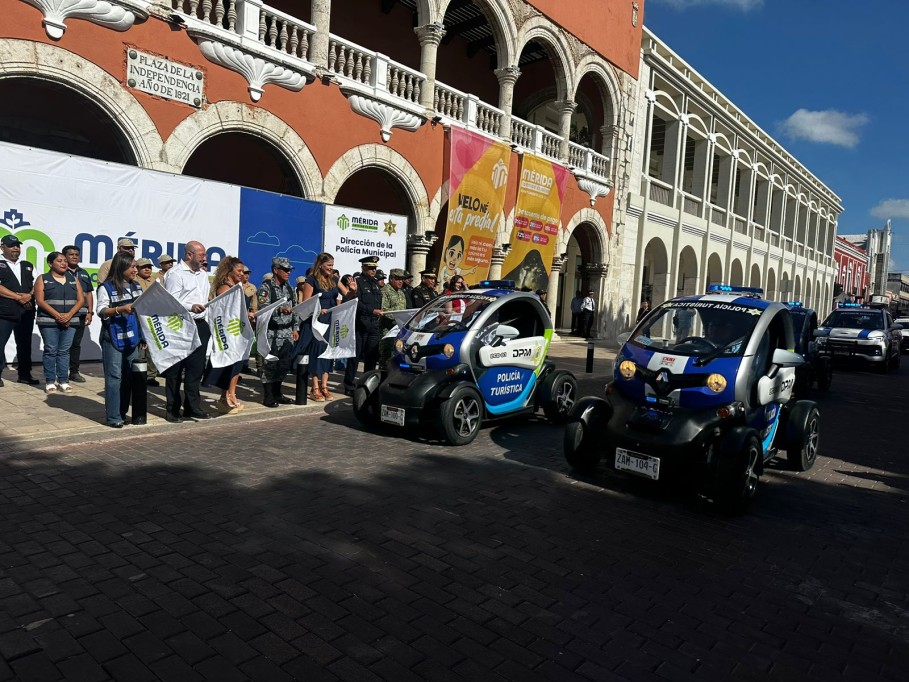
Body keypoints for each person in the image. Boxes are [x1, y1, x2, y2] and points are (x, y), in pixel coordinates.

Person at [162, 240, 212, 422]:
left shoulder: (203, 275)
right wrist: (191, 306)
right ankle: (172, 409)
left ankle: (192, 407)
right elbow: (170, 302)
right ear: (189, 255)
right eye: (202, 255)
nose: (204, 258)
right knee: (175, 370)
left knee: (196, 369)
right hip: (180, 325)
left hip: (200, 325)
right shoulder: (175, 274)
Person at [96, 252, 143, 428]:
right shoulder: (106, 287)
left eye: (136, 266)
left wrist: (143, 337)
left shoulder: (136, 286)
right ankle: (113, 417)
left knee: (129, 376)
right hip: (113, 337)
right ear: (122, 266)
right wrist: (120, 309)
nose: (136, 270)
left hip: (133, 337)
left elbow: (141, 313)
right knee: (114, 377)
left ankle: (122, 412)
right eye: (133, 267)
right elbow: (101, 311)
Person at [34, 251, 84, 394]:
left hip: (70, 321)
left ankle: (63, 380)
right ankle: (50, 381)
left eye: (65, 261)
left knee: (64, 351)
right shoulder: (43, 278)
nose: (64, 263)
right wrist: (58, 316)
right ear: (50, 263)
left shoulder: (74, 279)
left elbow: (81, 300)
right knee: (51, 350)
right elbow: (40, 301)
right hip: (48, 321)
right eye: (59, 261)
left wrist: (68, 315)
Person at [207, 256, 251, 414]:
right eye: (239, 270)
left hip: (237, 331)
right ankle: (225, 397)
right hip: (228, 333)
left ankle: (232, 393)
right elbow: (225, 312)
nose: (242, 273)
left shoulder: (238, 287)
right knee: (229, 365)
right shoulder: (224, 288)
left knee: (237, 364)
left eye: (243, 271)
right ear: (229, 271)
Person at [257, 256, 299, 407]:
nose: (288, 272)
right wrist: (280, 310)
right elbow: (263, 309)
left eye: (289, 270)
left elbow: (295, 309)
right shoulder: (266, 288)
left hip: (287, 333)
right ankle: (268, 396)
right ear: (276, 270)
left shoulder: (290, 288)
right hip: (272, 333)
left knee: (284, 365)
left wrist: (295, 328)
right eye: (285, 270)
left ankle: (277, 393)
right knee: (270, 365)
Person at [300, 252, 342, 401]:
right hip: (317, 321)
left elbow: (347, 294)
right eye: (329, 265)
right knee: (317, 351)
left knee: (328, 351)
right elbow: (305, 303)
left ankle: (325, 386)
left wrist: (352, 290)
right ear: (320, 265)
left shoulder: (334, 279)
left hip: (331, 320)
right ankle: (315, 387)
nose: (331, 268)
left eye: (332, 265)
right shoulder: (311, 280)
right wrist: (318, 310)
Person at [0, 234, 38, 387]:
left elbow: (38, 283)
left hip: (26, 311)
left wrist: (29, 295)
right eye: (11, 246)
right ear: (2, 248)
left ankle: (24, 375)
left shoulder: (28, 265)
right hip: (4, 311)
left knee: (24, 344)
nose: (15, 248)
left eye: (17, 245)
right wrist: (17, 297)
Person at [343, 255, 382, 396]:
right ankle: (349, 385)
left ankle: (367, 384)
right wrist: (371, 311)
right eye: (370, 268)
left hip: (374, 324)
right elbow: (356, 303)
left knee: (371, 357)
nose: (373, 270)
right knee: (355, 356)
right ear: (363, 268)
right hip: (360, 323)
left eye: (374, 268)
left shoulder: (375, 283)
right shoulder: (358, 282)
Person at [62, 244, 93, 383]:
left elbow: (89, 293)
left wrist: (90, 312)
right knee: (63, 345)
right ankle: (61, 373)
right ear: (64, 257)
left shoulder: (84, 273)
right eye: (71, 254)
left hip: (81, 314)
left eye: (76, 255)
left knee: (76, 344)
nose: (74, 257)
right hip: (65, 314)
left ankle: (74, 372)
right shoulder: (60, 271)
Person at [379, 268, 409, 369]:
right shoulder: (384, 291)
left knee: (397, 356)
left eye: (402, 279)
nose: (401, 281)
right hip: (387, 331)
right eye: (398, 279)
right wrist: (398, 315)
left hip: (399, 330)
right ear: (391, 279)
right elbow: (383, 310)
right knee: (386, 357)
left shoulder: (401, 293)